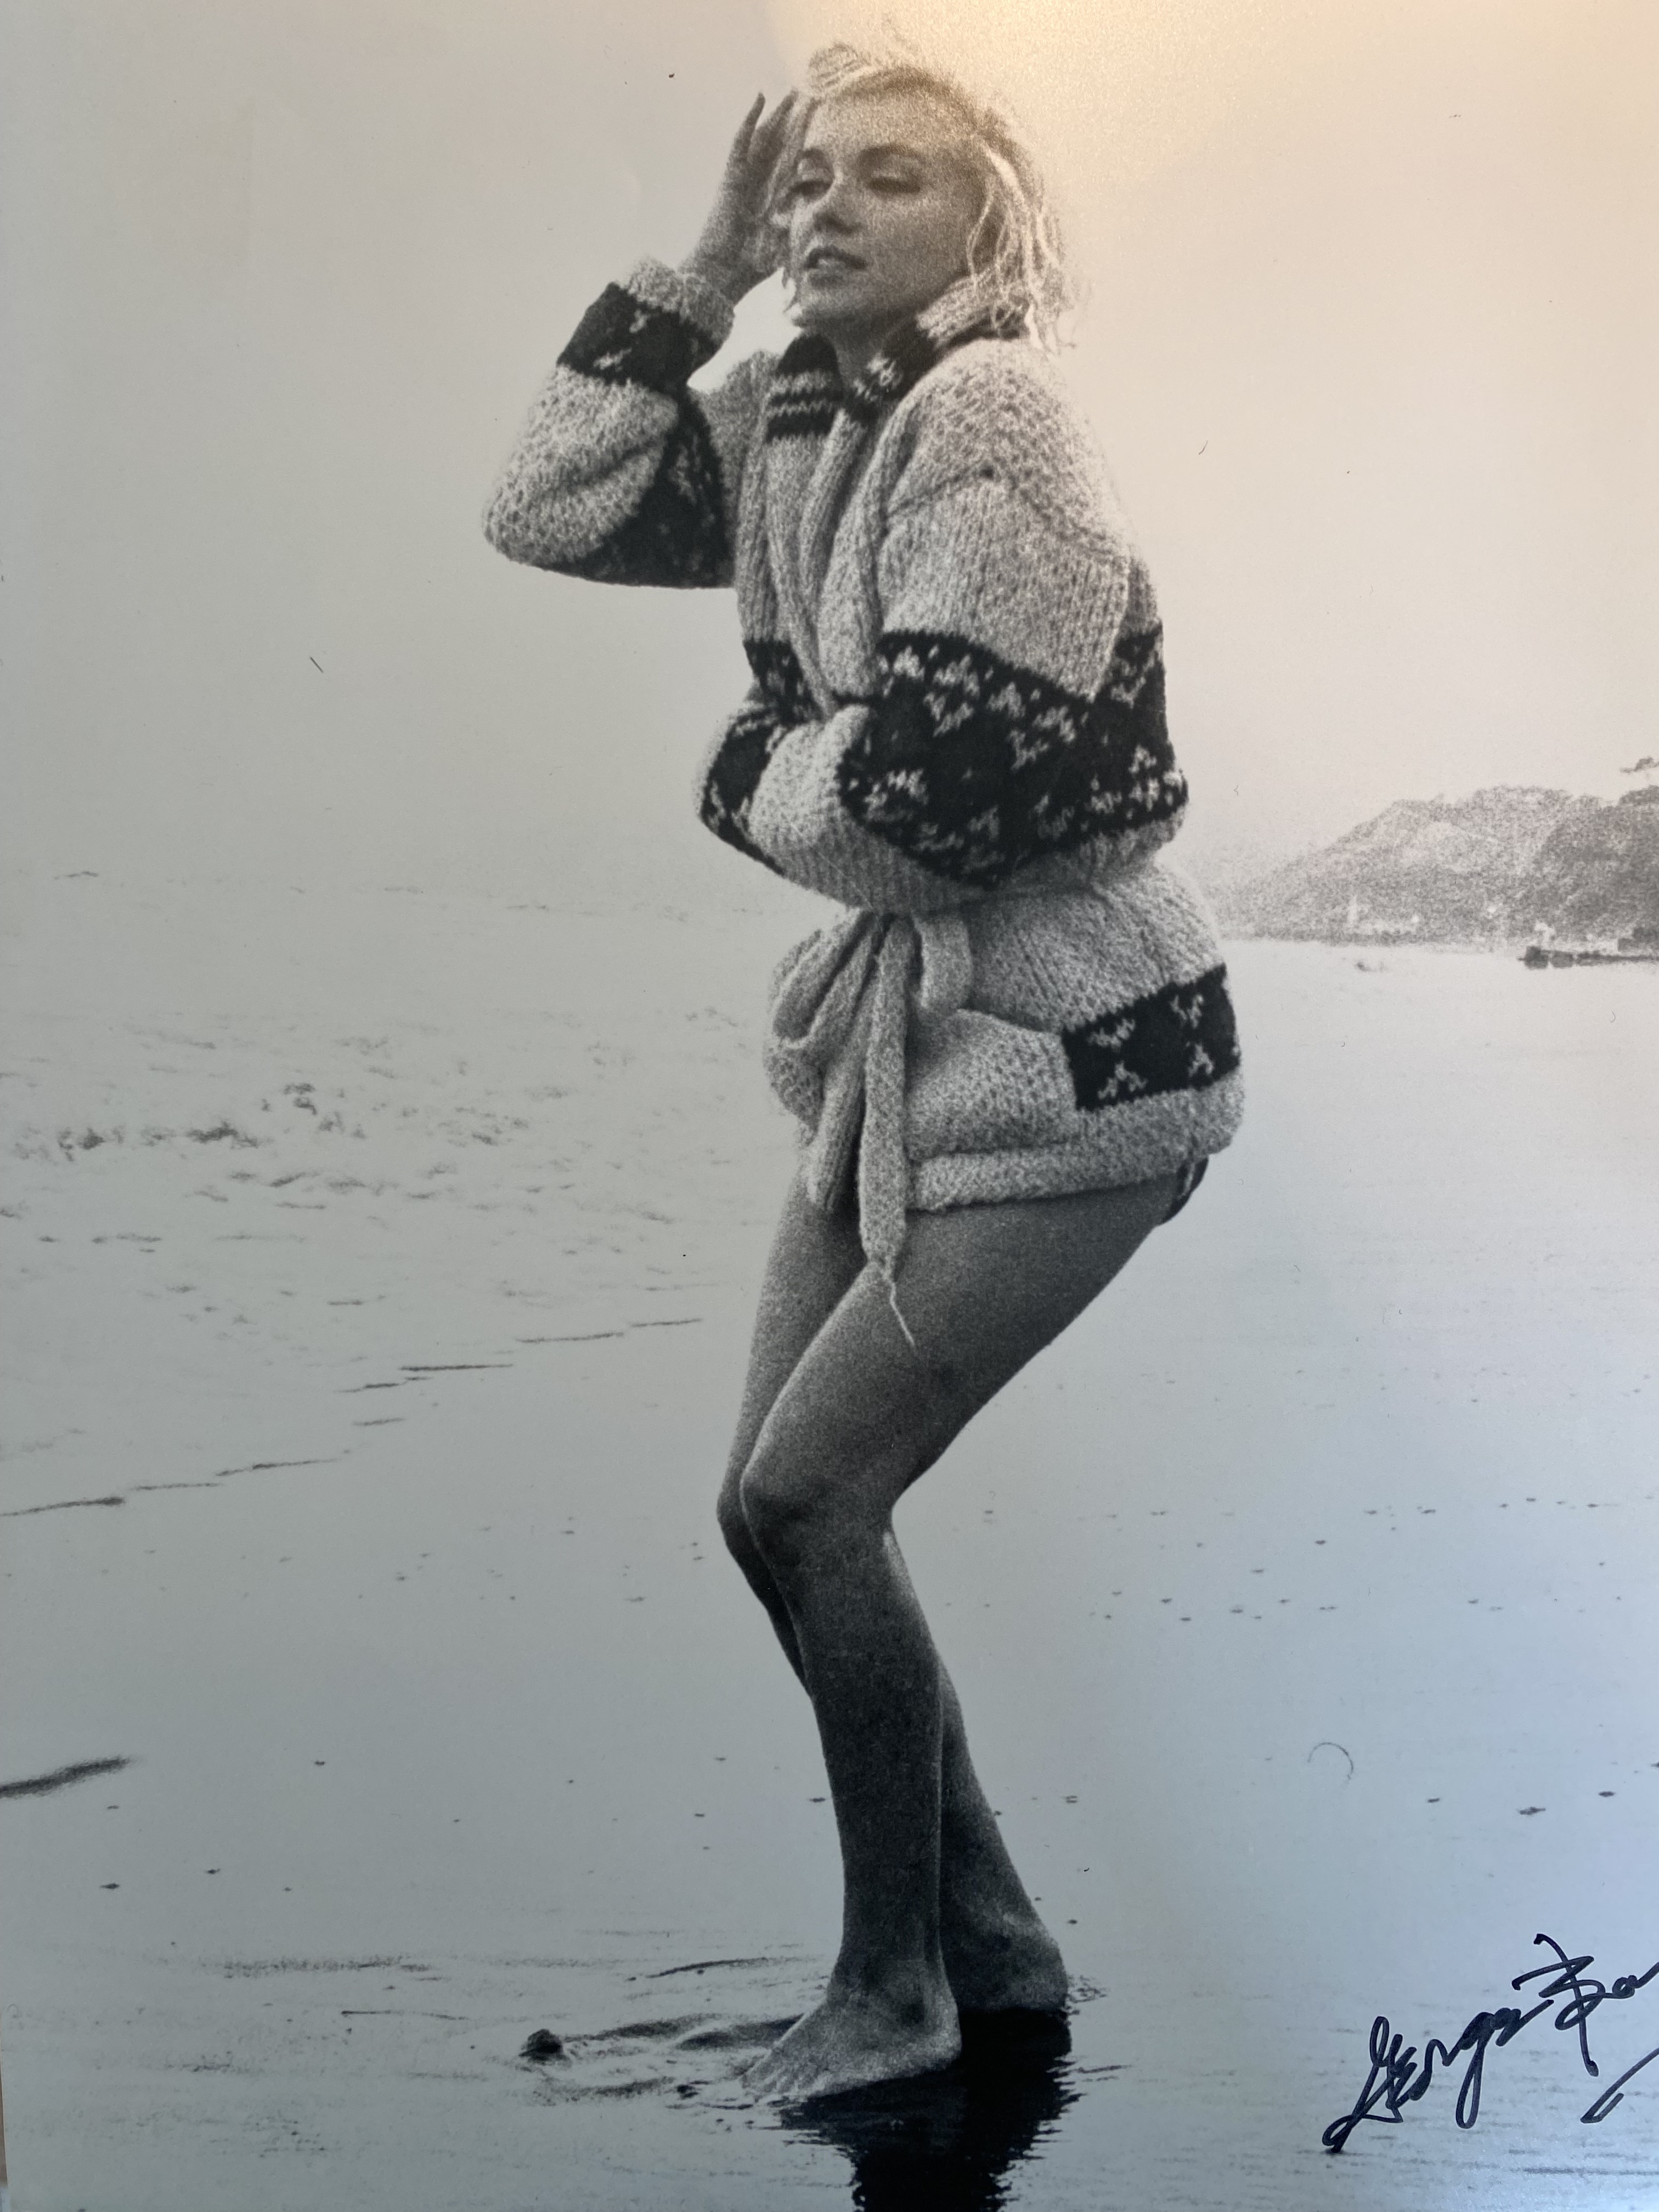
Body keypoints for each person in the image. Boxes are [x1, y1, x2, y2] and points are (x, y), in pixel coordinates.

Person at [484, 42, 1244, 2101]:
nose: (828, 204)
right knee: (771, 1508)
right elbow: (544, 506)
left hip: (1089, 1050)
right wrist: (700, 266)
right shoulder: (804, 411)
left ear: (985, 222)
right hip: (918, 1044)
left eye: (888, 177)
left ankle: (893, 1987)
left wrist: (742, 772)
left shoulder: (992, 420)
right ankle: (991, 1949)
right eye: (806, 177)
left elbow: (925, 810)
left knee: (813, 1494)